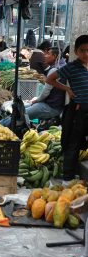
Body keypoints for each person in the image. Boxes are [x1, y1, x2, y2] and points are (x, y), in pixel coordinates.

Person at [46, 35, 88, 183]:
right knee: (73, 143)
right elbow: (50, 79)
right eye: (82, 50)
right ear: (76, 51)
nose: (86, 54)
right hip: (78, 110)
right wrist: (67, 89)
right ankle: (68, 178)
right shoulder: (71, 67)